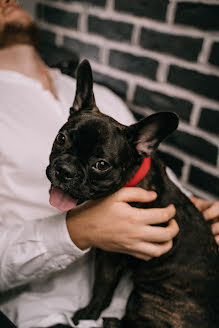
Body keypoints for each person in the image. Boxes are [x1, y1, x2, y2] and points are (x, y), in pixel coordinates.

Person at [0, 1, 218, 327]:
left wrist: (197, 209)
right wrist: (75, 230)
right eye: (62, 141)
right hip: (53, 315)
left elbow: (148, 172)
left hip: (160, 300)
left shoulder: (103, 97)